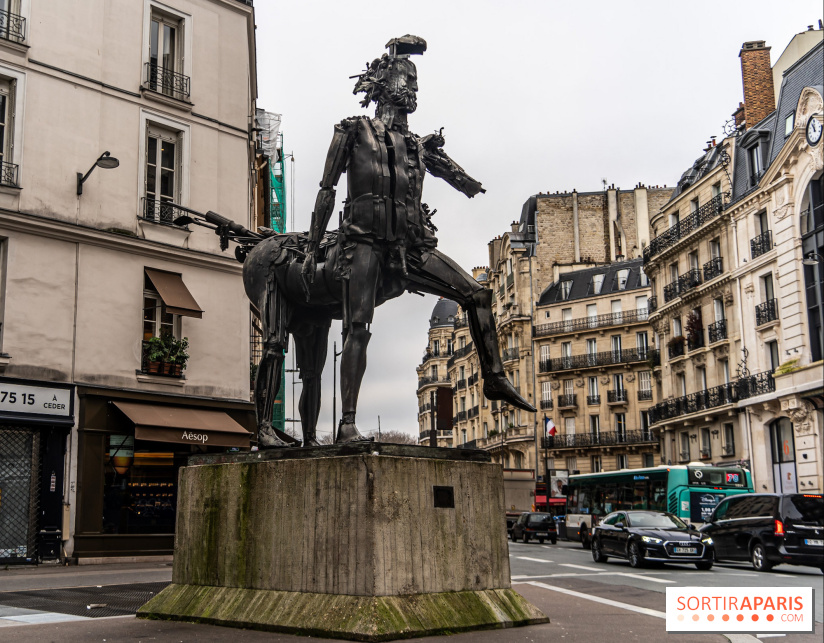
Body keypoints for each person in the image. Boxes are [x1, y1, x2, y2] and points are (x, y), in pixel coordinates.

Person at [301, 35, 534, 442]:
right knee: (357, 325)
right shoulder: (353, 131)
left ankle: (494, 379)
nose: (412, 89)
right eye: (405, 80)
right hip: (365, 242)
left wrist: (469, 183)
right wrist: (312, 246)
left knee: (476, 294)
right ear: (381, 84)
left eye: (415, 83)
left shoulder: (417, 145)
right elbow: (327, 190)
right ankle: (347, 423)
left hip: (410, 246)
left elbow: (452, 173)